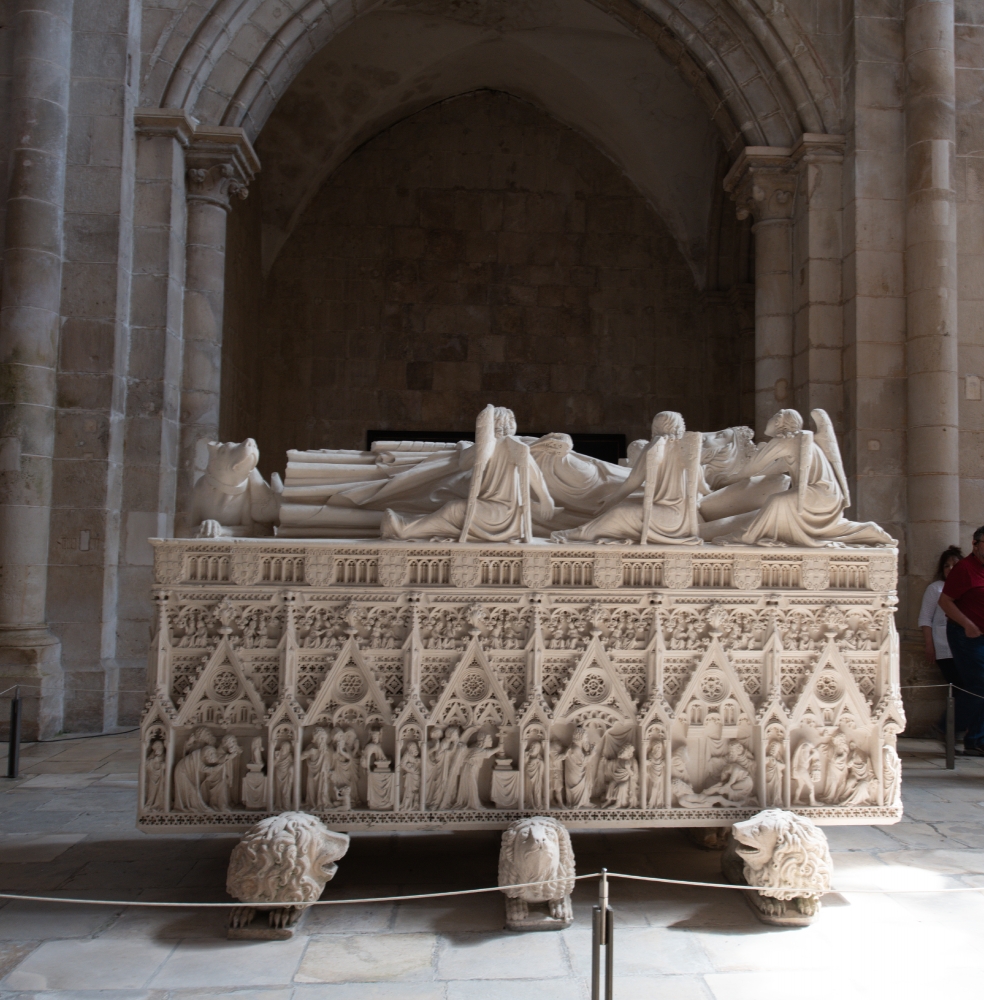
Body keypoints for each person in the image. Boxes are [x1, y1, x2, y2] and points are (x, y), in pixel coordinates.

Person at [939, 528, 984, 755]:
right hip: (965, 635)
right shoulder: (964, 569)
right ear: (975, 544)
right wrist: (967, 624)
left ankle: (976, 739)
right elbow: (945, 602)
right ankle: (948, 726)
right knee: (980, 684)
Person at [918, 546, 963, 737]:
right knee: (963, 688)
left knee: (969, 689)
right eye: (947, 566)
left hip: (964, 647)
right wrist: (929, 645)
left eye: (955, 565)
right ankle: (947, 727)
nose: (951, 569)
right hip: (944, 648)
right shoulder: (936, 588)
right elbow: (925, 619)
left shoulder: (968, 587)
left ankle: (956, 729)